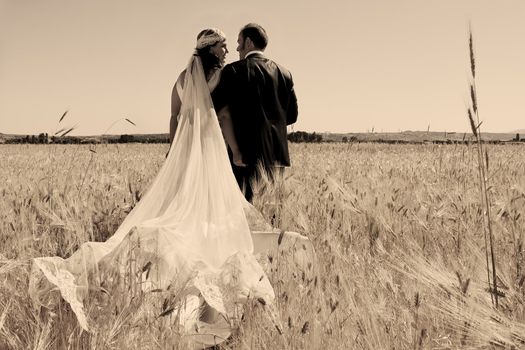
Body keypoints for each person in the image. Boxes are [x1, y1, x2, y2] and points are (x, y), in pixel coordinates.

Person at [29, 28, 276, 348]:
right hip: (210, 153)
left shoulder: (182, 77)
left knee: (180, 209)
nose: (228, 51)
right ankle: (205, 302)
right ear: (212, 49)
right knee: (205, 215)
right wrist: (237, 151)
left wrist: (175, 150)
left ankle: (185, 288)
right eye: (223, 46)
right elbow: (225, 116)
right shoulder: (221, 77)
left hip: (185, 153)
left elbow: (174, 117)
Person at [212, 23, 298, 202]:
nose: (236, 47)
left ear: (249, 43)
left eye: (239, 42)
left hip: (244, 157)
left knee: (244, 214)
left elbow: (218, 112)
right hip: (278, 157)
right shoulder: (285, 74)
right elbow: (291, 116)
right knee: (272, 218)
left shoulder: (233, 71)